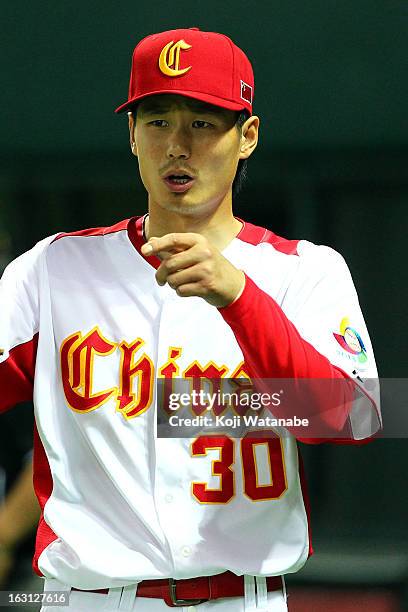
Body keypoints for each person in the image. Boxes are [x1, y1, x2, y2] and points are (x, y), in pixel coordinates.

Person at [0, 27, 380, 612]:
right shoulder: (53, 269)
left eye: (203, 122)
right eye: (157, 120)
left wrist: (239, 299)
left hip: (241, 598)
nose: (177, 144)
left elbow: (353, 419)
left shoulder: (306, 271)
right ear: (131, 135)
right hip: (85, 599)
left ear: (247, 135)